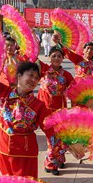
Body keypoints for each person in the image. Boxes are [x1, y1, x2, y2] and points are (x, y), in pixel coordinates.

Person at [0, 61, 49, 178]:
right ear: (19, 76)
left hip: (24, 153)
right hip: (1, 146)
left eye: (36, 78)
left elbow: (50, 127)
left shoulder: (38, 105)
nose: (33, 80)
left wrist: (71, 145)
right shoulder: (2, 91)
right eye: (30, 75)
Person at [38, 47, 75, 175]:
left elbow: (75, 90)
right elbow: (30, 58)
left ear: (63, 58)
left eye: (59, 56)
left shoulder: (66, 75)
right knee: (52, 138)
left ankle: (59, 158)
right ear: (49, 57)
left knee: (60, 137)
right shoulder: (43, 69)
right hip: (45, 110)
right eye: (54, 55)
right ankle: (50, 164)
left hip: (60, 110)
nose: (56, 58)